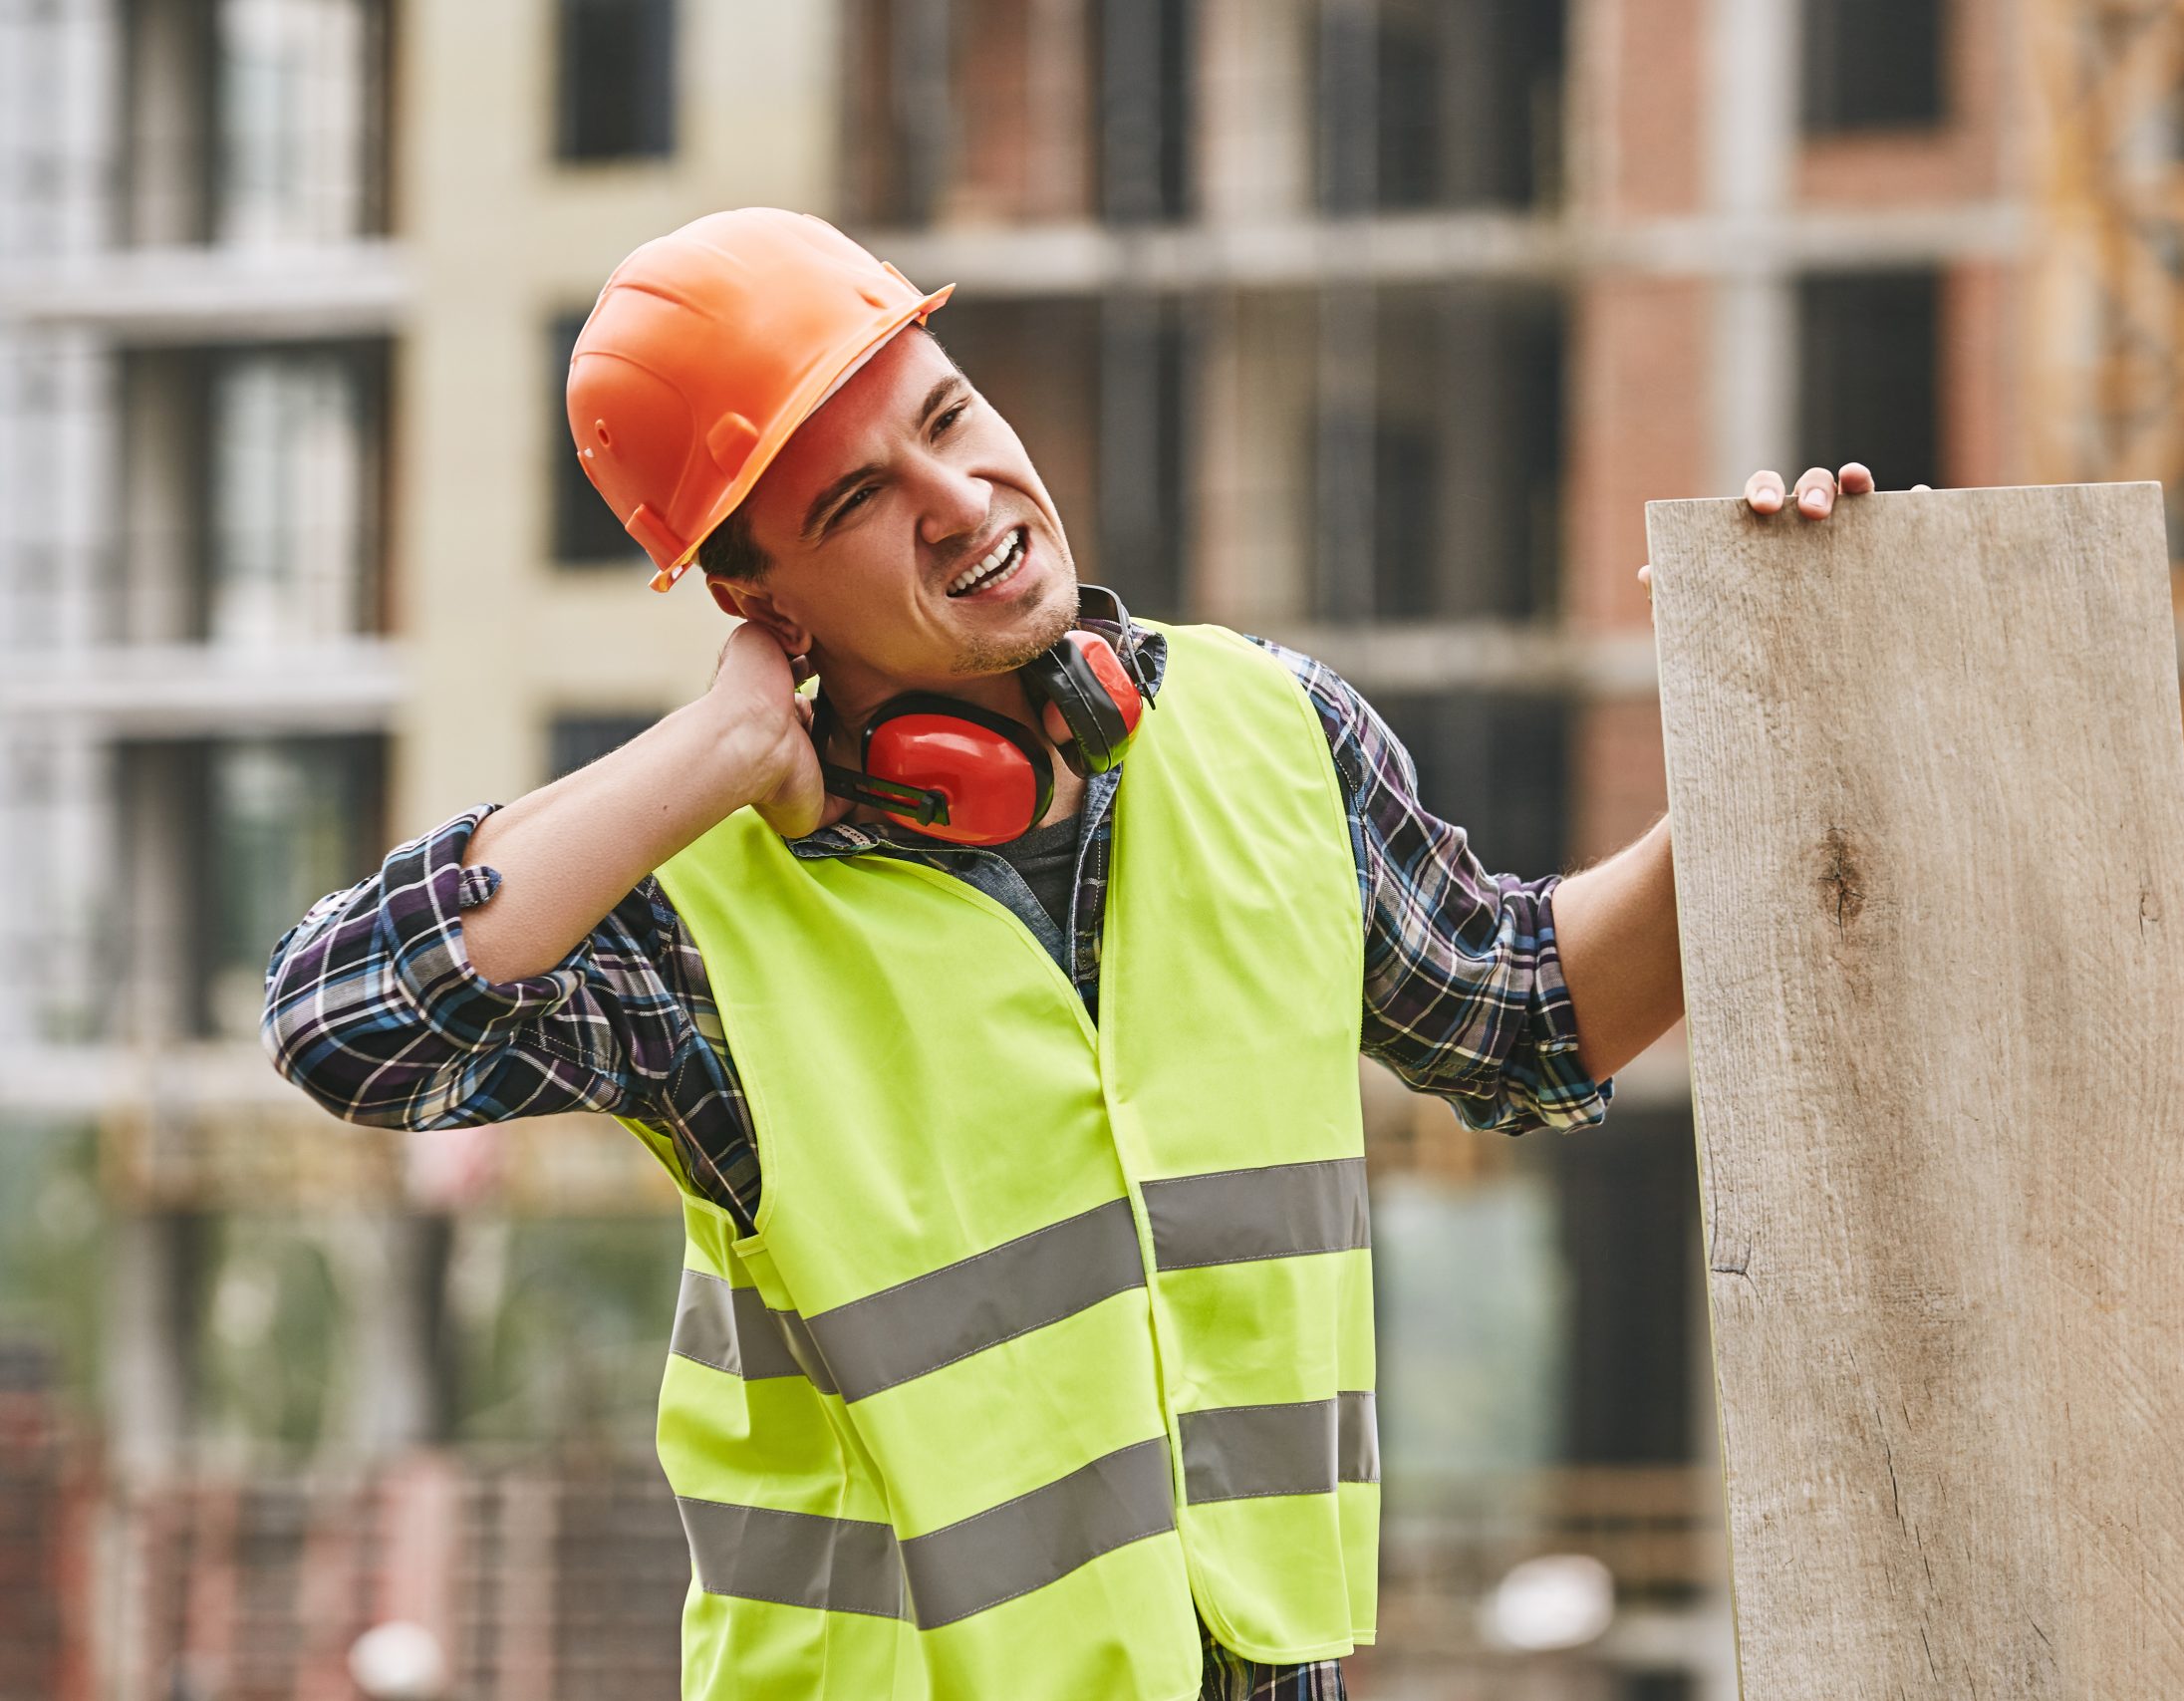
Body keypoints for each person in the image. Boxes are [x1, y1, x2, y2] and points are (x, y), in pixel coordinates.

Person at [261, 208, 1879, 1701]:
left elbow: (1528, 1020)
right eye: (855, 501)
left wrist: (1774, 731)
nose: (960, 503)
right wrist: (712, 750)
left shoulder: (1270, 736)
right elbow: (343, 1021)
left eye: (949, 419)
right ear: (760, 597)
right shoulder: (705, 925)